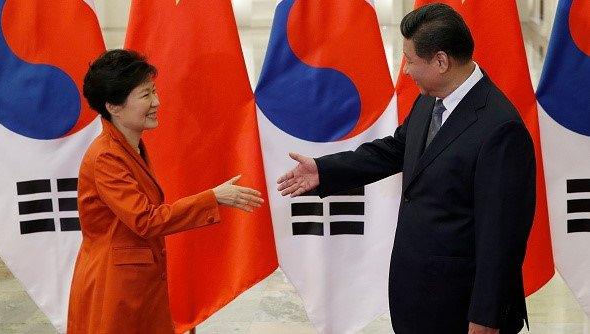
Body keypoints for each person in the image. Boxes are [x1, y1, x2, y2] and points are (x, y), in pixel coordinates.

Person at [277, 4, 535, 334]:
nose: (406, 71)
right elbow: (397, 149)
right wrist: (325, 171)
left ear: (441, 61)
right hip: (417, 300)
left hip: (460, 312)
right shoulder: (431, 98)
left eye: (411, 61)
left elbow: (501, 240)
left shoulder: (500, 130)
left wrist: (486, 318)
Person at [67, 49, 264, 334]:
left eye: (154, 92)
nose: (157, 102)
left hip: (139, 286)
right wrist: (213, 197)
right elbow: (145, 220)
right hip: (116, 290)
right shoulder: (106, 157)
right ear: (114, 106)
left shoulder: (129, 147)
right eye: (145, 95)